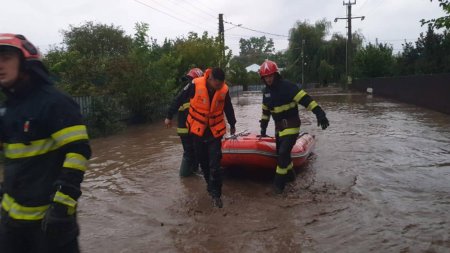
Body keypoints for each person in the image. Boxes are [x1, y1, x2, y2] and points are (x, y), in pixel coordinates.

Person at [0, 34, 91, 252]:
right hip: (10, 223)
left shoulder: (55, 102)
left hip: (50, 224)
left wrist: (62, 205)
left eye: (6, 57)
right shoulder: (8, 108)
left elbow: (78, 152)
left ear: (25, 61)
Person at [258, 60, 329, 194]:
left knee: (284, 153)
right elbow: (265, 112)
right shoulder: (266, 92)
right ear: (262, 78)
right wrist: (263, 128)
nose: (268, 79)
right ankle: (291, 178)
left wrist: (320, 113)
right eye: (265, 77)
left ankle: (278, 187)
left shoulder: (288, 87)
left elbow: (306, 100)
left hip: (292, 126)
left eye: (270, 76)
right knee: (282, 155)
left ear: (276, 75)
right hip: (279, 129)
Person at [180, 67, 236, 208]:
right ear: (210, 79)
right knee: (203, 163)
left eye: (221, 84)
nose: (219, 87)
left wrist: (233, 123)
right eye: (217, 84)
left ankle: (217, 195)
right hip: (198, 132)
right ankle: (210, 187)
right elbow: (179, 98)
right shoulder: (195, 85)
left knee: (215, 165)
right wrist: (169, 116)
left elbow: (228, 107)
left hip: (214, 132)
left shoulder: (223, 90)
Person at [165, 68, 204, 177]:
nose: (190, 82)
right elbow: (176, 101)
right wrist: (169, 116)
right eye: (189, 79)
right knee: (189, 152)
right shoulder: (188, 90)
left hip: (192, 128)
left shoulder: (193, 91)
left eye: (191, 79)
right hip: (187, 128)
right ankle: (185, 176)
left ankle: (192, 173)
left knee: (194, 151)